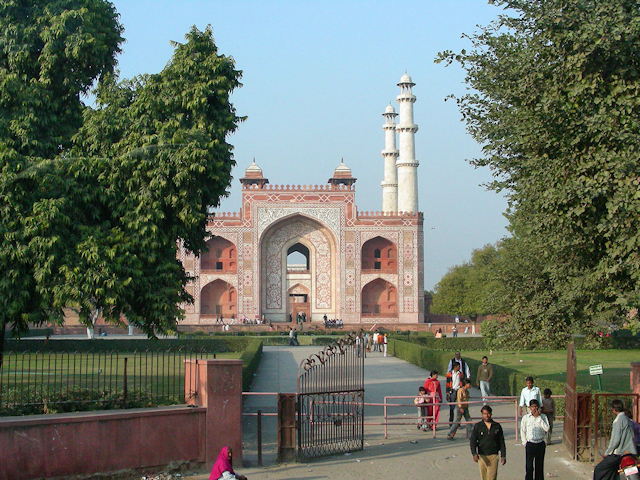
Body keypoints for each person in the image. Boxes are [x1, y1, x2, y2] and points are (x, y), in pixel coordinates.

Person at [594, 400, 638, 480]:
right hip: (631, 451)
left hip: (619, 453)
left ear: (613, 409)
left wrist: (607, 452)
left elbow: (615, 441)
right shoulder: (627, 419)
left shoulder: (618, 421)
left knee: (599, 469)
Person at [470, 405, 506, 480]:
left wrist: (503, 455)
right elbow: (473, 441)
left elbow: (501, 441)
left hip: (493, 456)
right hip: (482, 456)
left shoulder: (497, 426)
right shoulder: (478, 426)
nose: (486, 416)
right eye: (484, 414)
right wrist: (474, 453)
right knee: (484, 477)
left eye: (488, 413)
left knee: (491, 477)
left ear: (491, 414)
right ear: (482, 415)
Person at [520, 399, 549, 480]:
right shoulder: (526, 418)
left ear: (538, 407)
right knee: (529, 467)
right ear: (529, 407)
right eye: (532, 407)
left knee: (539, 467)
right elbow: (523, 431)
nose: (534, 408)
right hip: (530, 443)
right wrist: (525, 443)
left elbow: (547, 428)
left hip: (540, 443)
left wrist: (538, 418)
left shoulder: (543, 417)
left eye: (536, 406)